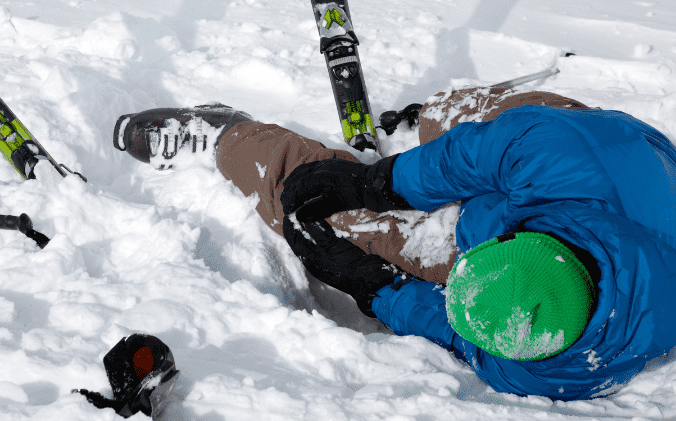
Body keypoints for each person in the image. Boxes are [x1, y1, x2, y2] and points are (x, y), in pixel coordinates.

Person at [112, 88, 676, 400]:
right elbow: (473, 159)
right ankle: (434, 117)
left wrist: (374, 287)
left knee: (338, 221)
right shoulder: (554, 154)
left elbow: (460, 334)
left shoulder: (541, 364)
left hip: (586, 187)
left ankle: (228, 136)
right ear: (520, 239)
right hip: (585, 143)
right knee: (471, 131)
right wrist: (375, 183)